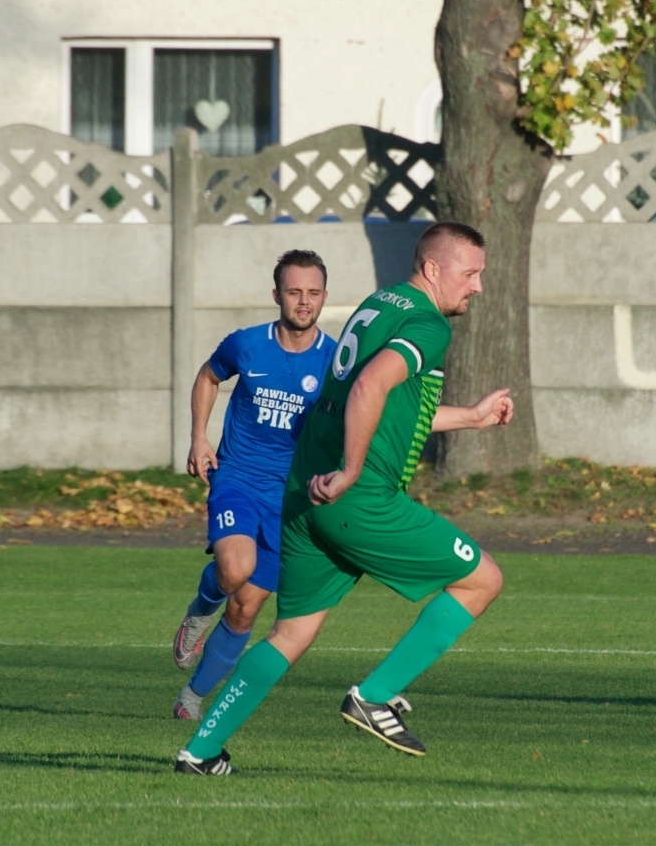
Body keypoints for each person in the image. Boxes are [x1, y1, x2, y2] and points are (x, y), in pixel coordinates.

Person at [175, 221, 512, 775]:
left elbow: (372, 405)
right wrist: (353, 470)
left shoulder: (378, 306)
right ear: (433, 269)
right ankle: (375, 695)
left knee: (291, 632)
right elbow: (369, 387)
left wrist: (471, 418)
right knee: (482, 580)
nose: (476, 286)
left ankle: (201, 751)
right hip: (356, 498)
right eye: (470, 273)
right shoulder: (428, 325)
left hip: (304, 497)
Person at [171, 250, 334, 720]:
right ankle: (201, 609)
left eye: (313, 293)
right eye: (294, 292)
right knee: (234, 570)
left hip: (291, 501)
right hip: (237, 477)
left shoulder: (334, 361)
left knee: (245, 610)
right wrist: (200, 437)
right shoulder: (247, 344)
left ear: (324, 296)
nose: (304, 302)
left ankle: (193, 696)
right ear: (277, 295)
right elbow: (208, 376)